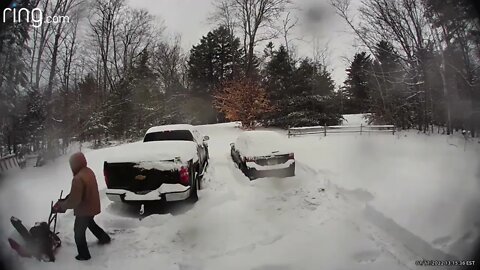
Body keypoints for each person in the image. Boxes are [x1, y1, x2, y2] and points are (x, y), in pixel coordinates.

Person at [53, 152, 111, 261]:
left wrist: (62, 206)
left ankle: (84, 255)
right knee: (90, 223)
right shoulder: (88, 171)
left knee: (78, 232)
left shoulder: (78, 178)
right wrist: (64, 200)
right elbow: (77, 193)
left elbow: (74, 201)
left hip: (84, 209)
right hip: (93, 205)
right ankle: (104, 238)